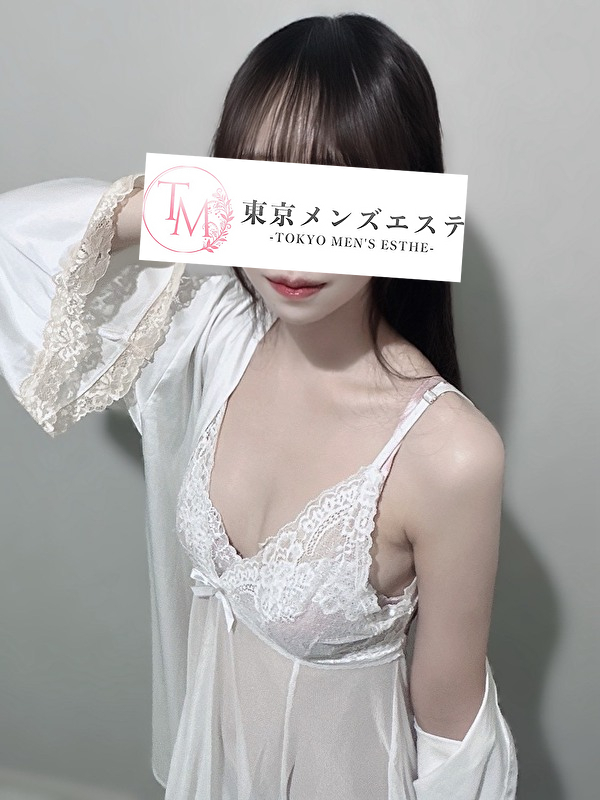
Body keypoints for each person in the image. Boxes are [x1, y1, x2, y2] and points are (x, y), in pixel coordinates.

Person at [0, 13, 518, 800]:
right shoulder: (212, 337)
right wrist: (212, 209)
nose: (294, 245)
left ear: (403, 202)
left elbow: (454, 745)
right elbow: (14, 243)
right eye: (269, 190)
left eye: (333, 196)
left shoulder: (448, 454)